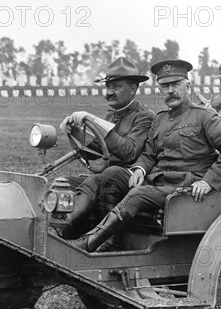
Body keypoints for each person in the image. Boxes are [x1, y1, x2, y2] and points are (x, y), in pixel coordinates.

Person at [72, 59, 221, 252]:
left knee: (138, 194)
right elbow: (149, 153)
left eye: (175, 84)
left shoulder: (204, 116)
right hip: (158, 183)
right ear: (160, 89)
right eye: (164, 86)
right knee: (112, 173)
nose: (170, 90)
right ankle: (113, 239)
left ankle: (89, 244)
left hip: (185, 187)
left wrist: (208, 182)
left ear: (187, 86)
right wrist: (139, 169)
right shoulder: (160, 118)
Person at [55, 57, 155, 240]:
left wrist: (94, 122)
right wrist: (76, 132)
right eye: (108, 87)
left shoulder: (145, 117)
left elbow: (129, 152)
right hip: (107, 177)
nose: (109, 92)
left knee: (98, 179)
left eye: (116, 87)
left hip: (130, 180)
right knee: (64, 183)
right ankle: (57, 227)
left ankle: (64, 232)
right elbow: (101, 149)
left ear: (133, 88)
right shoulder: (111, 115)